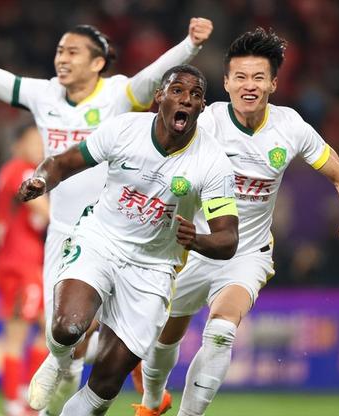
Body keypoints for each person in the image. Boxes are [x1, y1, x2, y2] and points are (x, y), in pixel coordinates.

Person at [0, 16, 213, 414]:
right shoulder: (44, 95)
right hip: (65, 234)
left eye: (73, 52)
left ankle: (125, 366)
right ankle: (61, 392)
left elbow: (156, 77)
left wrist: (191, 44)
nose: (62, 58)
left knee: (95, 341)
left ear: (97, 63)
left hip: (119, 231)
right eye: (60, 51)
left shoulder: (118, 94)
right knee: (65, 337)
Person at [134, 28, 339, 416]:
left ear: (273, 84)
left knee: (220, 333)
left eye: (259, 77)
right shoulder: (207, 122)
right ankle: (151, 400)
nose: (250, 85)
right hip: (193, 246)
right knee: (165, 338)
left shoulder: (290, 127)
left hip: (246, 253)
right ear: (227, 82)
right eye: (241, 77)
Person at [17, 64, 239, 416]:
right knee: (67, 326)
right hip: (100, 241)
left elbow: (228, 238)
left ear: (202, 107)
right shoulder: (125, 130)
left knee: (105, 385)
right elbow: (62, 162)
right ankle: (58, 359)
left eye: (195, 95)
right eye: (177, 90)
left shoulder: (212, 162)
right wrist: (41, 181)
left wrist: (197, 240)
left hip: (153, 269)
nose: (186, 99)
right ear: (159, 97)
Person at [0, 124, 49, 416]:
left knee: (48, 327)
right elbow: (45, 212)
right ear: (18, 144)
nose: (39, 148)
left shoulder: (6, 172)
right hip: (21, 263)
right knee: (17, 333)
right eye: (33, 141)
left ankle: (27, 392)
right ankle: (13, 400)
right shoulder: (24, 172)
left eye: (41, 142)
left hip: (17, 261)